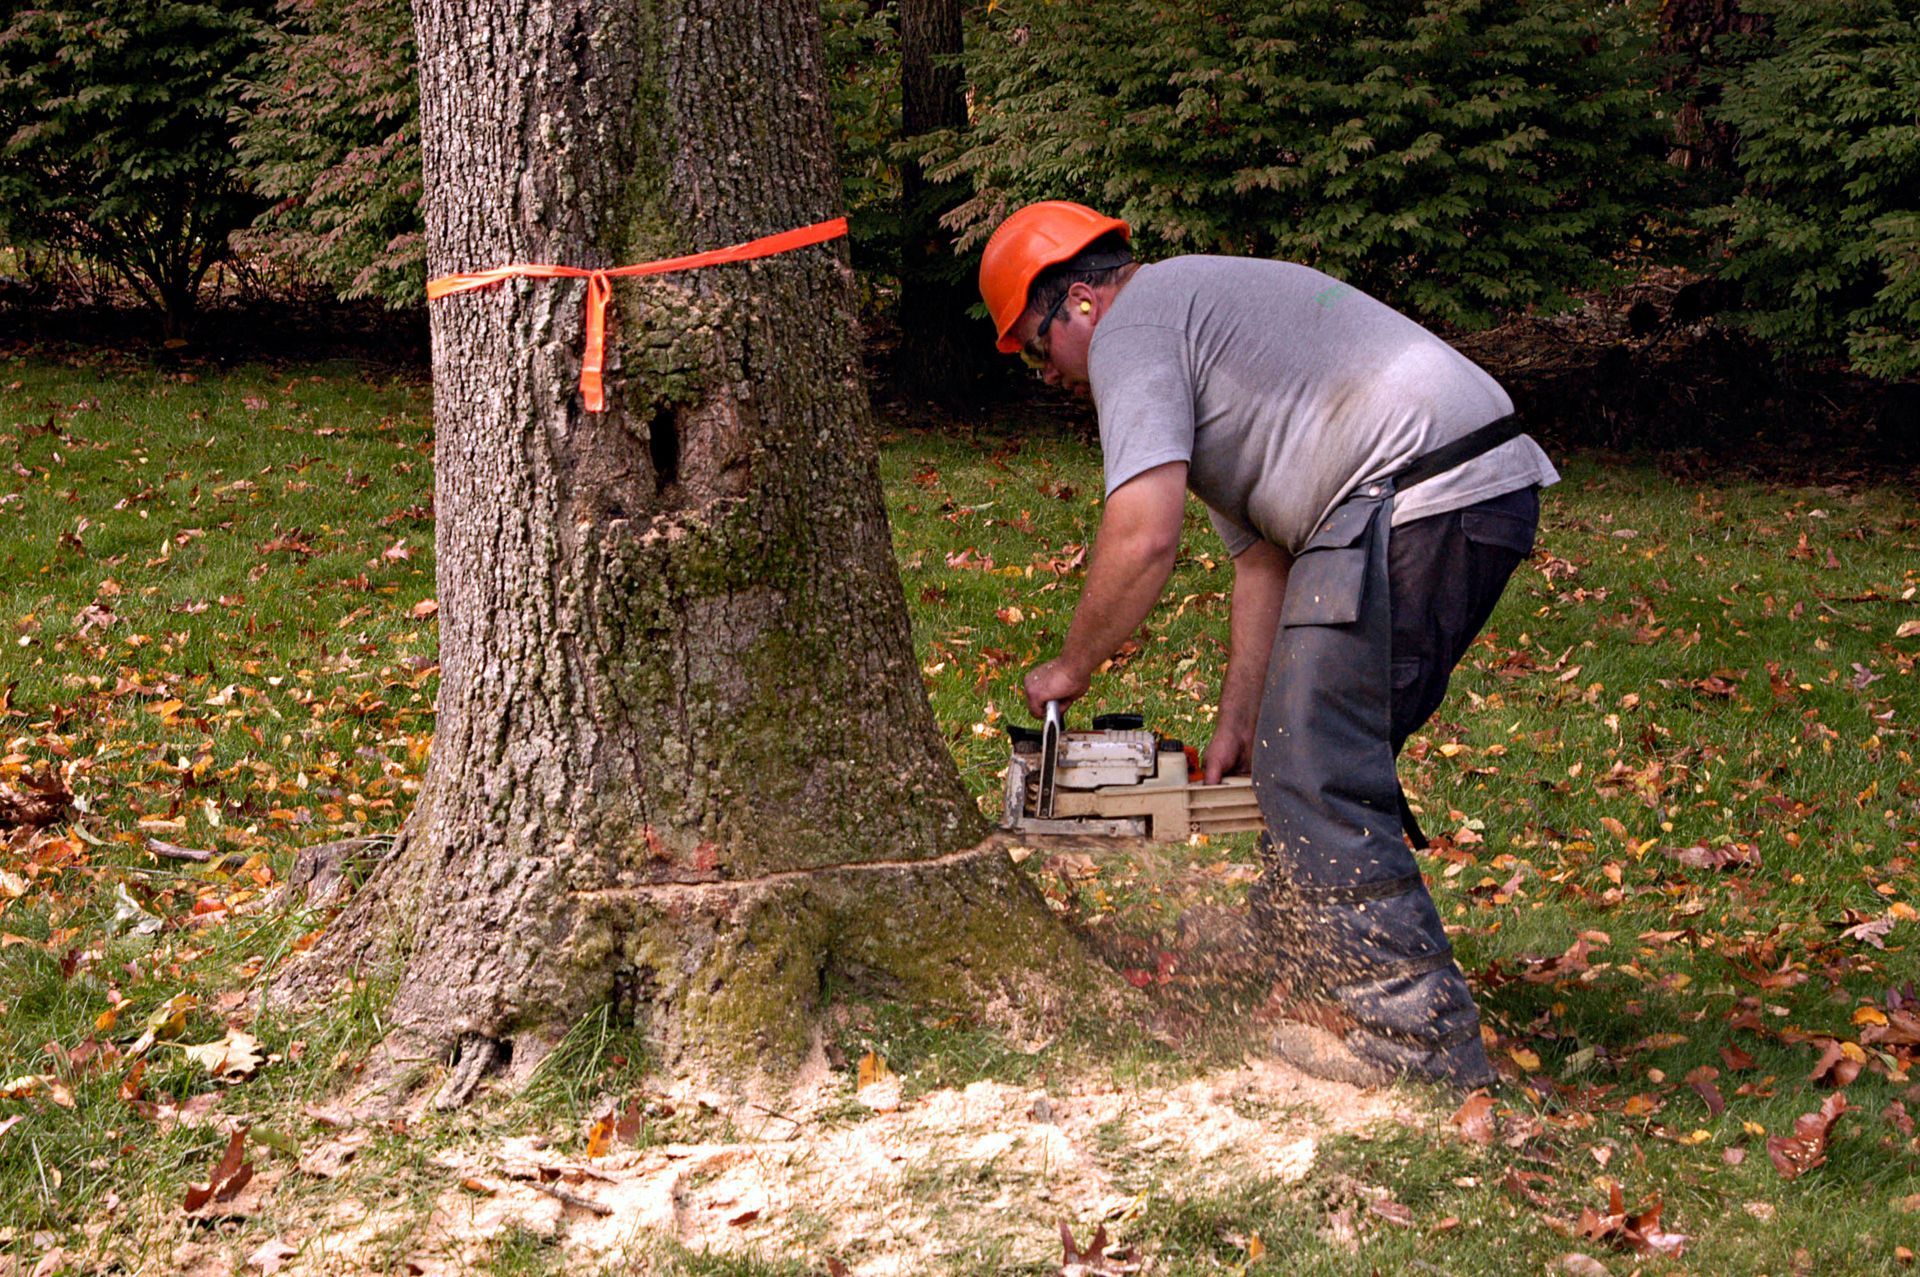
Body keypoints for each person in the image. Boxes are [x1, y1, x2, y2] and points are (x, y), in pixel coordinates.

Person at [980, 200, 1559, 1090]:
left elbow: (1142, 536)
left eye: (1033, 346)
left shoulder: (1135, 329)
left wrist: (1070, 667)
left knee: (1318, 766)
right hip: (1449, 481)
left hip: (1409, 487)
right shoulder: (1195, 325)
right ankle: (1309, 975)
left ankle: (1413, 1047)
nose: (1044, 374)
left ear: (1082, 304)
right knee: (1296, 755)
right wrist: (1240, 716)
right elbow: (1263, 559)